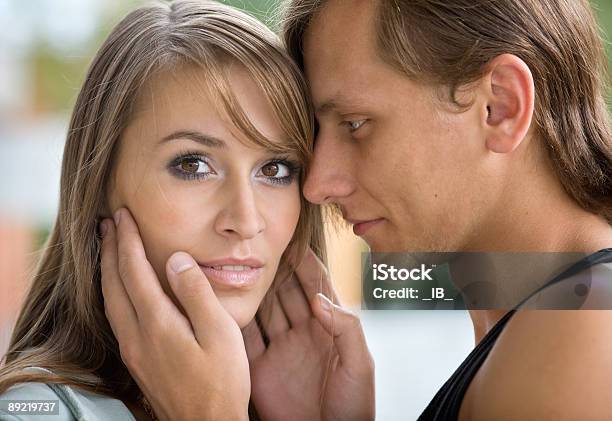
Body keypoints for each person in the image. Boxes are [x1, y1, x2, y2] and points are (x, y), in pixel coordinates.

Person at [100, 0, 612, 419]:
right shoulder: (534, 316)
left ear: (499, 106)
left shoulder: (585, 331)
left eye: (356, 124)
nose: (316, 184)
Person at [0, 1, 343, 419]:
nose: (246, 220)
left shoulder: (297, 402)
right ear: (101, 182)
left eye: (275, 169)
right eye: (193, 165)